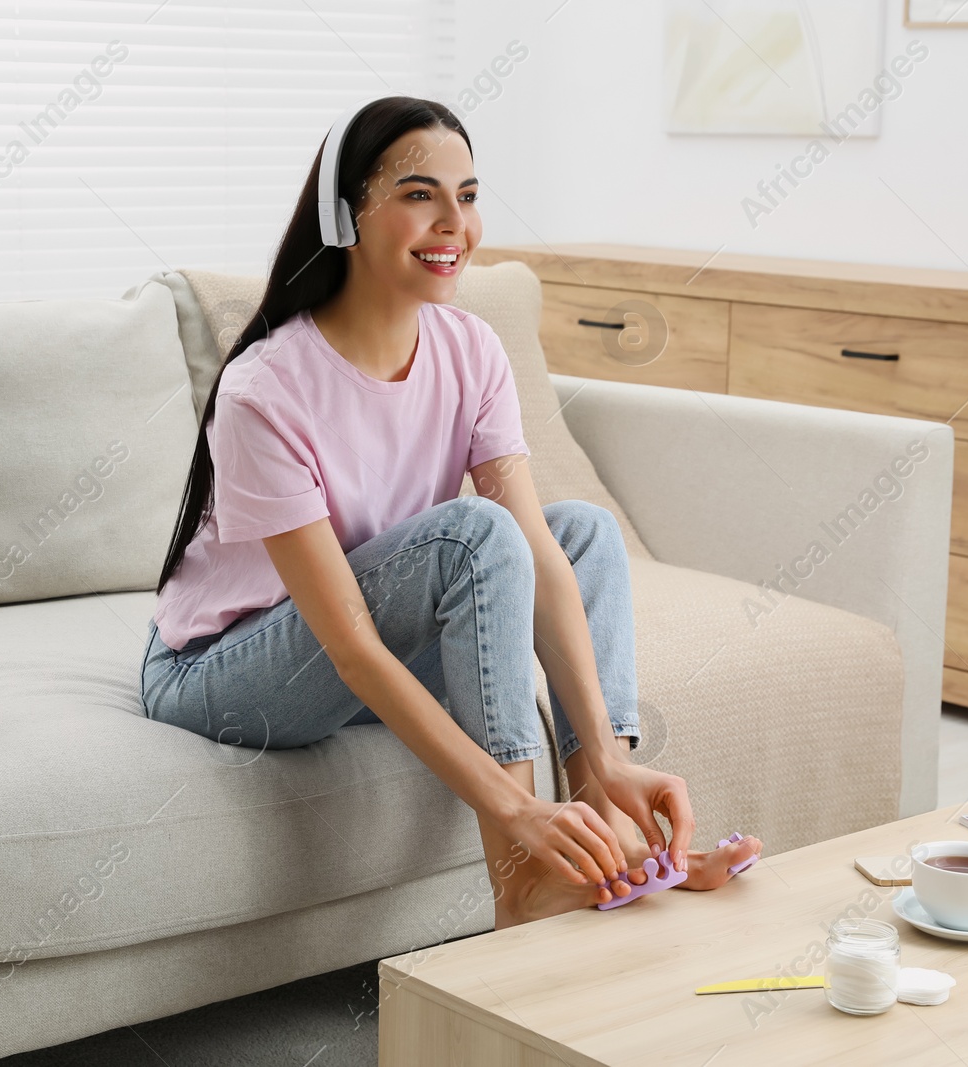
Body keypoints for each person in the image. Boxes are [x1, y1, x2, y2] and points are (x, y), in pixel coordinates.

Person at [141, 94, 761, 928]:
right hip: (224, 668)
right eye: (418, 194)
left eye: (467, 197)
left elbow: (539, 549)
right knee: (475, 534)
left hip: (348, 640)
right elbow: (354, 647)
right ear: (344, 213)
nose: (453, 224)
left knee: (582, 532)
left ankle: (609, 832)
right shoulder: (266, 389)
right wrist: (514, 811)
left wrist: (608, 755)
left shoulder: (470, 350)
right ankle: (521, 876)